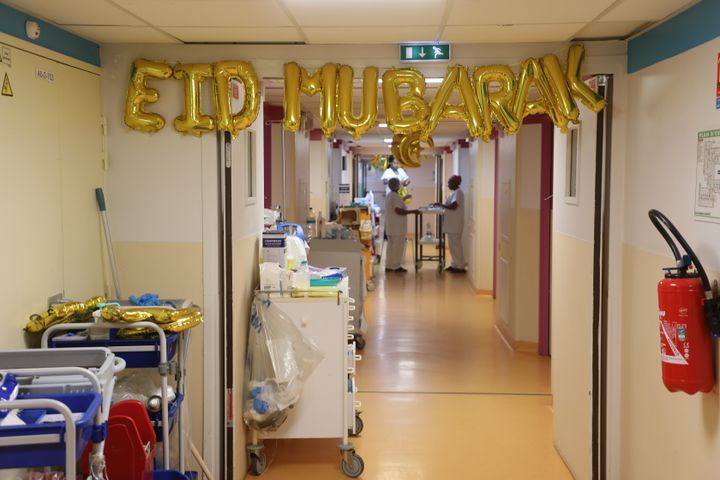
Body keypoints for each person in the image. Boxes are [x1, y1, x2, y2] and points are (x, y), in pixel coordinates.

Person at [384, 177, 417, 272]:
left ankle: (389, 265)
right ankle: (396, 266)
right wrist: (413, 211)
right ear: (397, 185)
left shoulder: (390, 195)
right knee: (397, 247)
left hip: (391, 226)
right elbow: (398, 210)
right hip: (397, 227)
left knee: (391, 247)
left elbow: (396, 203)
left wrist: (404, 198)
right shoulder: (395, 196)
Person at [439, 175, 466, 273]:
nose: (448, 185)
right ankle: (454, 264)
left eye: (449, 183)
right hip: (451, 224)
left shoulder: (458, 192)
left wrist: (441, 205)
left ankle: (460, 266)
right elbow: (448, 206)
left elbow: (454, 206)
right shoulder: (453, 193)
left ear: (455, 183)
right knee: (452, 245)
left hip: (455, 224)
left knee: (456, 245)